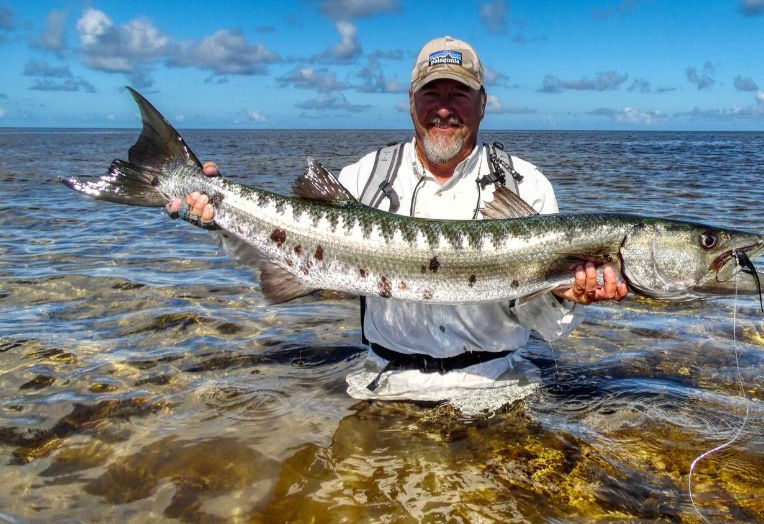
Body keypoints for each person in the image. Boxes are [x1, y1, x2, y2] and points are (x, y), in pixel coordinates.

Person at [169, 35, 627, 414]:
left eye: (458, 94)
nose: (443, 108)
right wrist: (220, 218)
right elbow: (280, 248)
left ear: (483, 104)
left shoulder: (526, 185)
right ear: (411, 102)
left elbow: (544, 324)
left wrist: (566, 297)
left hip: (498, 388)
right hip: (385, 386)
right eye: (432, 93)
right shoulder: (364, 176)